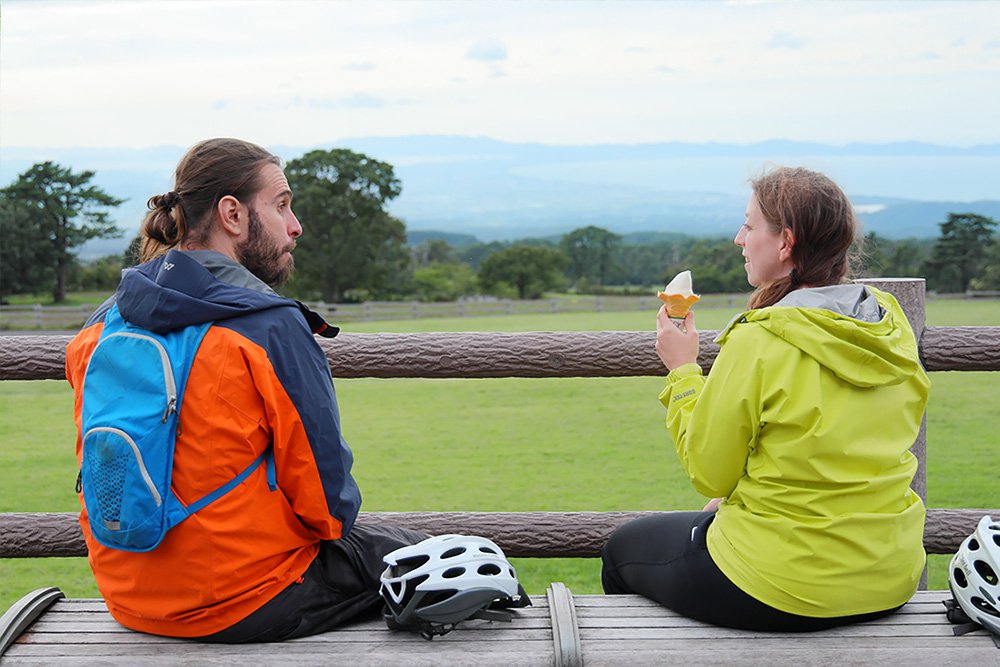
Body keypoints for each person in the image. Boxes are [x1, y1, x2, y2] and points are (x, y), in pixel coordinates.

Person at [66, 138, 426, 643]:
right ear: (232, 214)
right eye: (281, 205)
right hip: (247, 600)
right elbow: (327, 507)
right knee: (438, 557)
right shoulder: (269, 327)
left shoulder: (102, 325)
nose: (295, 225)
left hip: (128, 598)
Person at [601, 166, 930, 631]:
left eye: (750, 224)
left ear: (785, 242)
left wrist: (682, 371)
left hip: (783, 585)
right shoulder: (887, 324)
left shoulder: (762, 338)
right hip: (889, 576)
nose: (739, 238)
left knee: (623, 550)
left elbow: (709, 471)